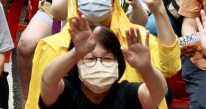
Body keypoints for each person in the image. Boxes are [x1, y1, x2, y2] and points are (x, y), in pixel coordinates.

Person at [24, 0, 180, 109]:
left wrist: (159, 10)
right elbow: (40, 97)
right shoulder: (52, 46)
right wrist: (75, 53)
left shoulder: (135, 38)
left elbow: (170, 67)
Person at [38, 19, 167, 109]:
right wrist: (76, 53)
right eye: (90, 59)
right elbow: (47, 79)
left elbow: (159, 92)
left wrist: (146, 67)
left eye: (107, 59)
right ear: (76, 63)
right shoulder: (66, 91)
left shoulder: (126, 93)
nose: (98, 65)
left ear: (118, 63)